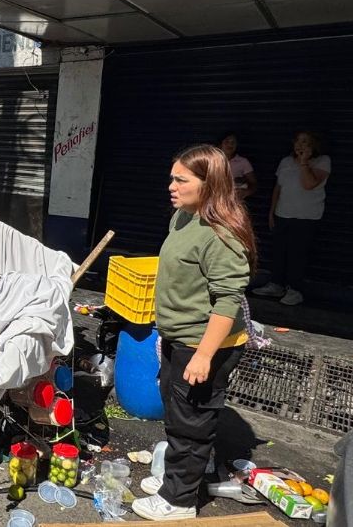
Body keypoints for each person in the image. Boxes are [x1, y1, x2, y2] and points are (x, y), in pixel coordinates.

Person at [131, 144, 255, 521]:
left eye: (181, 180)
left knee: (191, 426)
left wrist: (203, 355)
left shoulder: (220, 235)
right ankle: (177, 479)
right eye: (172, 177)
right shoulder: (184, 217)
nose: (171, 185)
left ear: (210, 183)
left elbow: (227, 300)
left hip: (205, 345)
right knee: (177, 414)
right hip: (178, 338)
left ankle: (179, 501)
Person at [252, 131, 330, 306]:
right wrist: (271, 212)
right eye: (297, 141)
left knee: (298, 254)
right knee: (279, 252)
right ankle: (276, 284)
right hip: (282, 214)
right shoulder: (286, 161)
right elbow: (278, 188)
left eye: (305, 142)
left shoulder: (323, 161)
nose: (300, 145)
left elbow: (309, 184)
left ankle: (295, 290)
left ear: (313, 145)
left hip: (306, 217)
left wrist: (304, 163)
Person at [219, 132, 256, 199]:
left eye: (233, 142)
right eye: (227, 141)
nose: (230, 145)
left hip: (234, 203)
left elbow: (253, 184)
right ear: (220, 144)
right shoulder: (211, 160)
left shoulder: (243, 162)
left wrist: (246, 192)